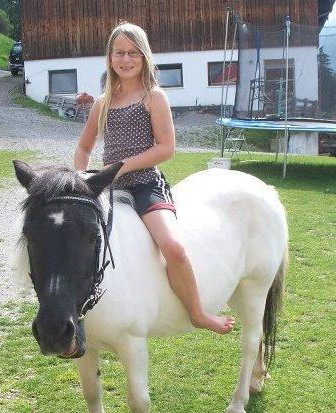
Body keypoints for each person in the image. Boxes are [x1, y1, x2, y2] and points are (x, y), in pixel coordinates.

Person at [74, 22, 234, 335]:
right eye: (119, 52)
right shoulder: (102, 103)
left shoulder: (153, 96)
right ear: (110, 57)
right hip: (110, 188)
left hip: (146, 185)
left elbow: (166, 148)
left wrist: (122, 166)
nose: (126, 59)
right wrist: (82, 178)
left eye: (133, 53)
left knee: (173, 249)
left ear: (144, 57)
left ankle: (198, 313)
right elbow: (84, 147)